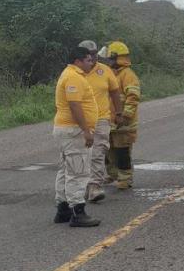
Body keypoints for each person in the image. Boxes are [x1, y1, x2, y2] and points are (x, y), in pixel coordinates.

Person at [53, 46, 101, 227]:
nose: (91, 63)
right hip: (74, 131)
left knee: (66, 170)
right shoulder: (73, 76)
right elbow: (75, 105)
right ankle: (77, 211)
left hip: (67, 130)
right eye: (88, 60)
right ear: (78, 61)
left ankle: (63, 208)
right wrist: (86, 130)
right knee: (78, 171)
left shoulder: (71, 74)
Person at [78, 41, 122, 203]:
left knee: (98, 152)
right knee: (80, 155)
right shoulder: (74, 72)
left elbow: (115, 92)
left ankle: (95, 186)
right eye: (90, 53)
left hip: (101, 118)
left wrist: (118, 112)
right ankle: (80, 187)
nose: (94, 56)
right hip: (78, 121)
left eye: (96, 53)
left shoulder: (105, 71)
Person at [106, 41, 141, 190]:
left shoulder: (128, 75)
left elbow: (133, 97)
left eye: (111, 58)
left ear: (117, 58)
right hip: (111, 123)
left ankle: (125, 179)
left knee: (122, 153)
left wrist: (126, 116)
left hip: (124, 125)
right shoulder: (111, 74)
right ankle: (113, 175)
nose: (109, 61)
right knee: (109, 152)